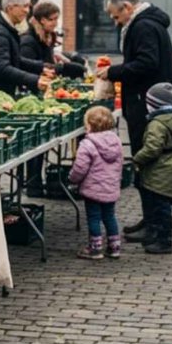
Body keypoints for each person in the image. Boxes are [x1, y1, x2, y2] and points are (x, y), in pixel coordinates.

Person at [97, 0, 172, 237]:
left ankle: (155, 225)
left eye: (116, 16)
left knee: (150, 163)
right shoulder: (147, 24)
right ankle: (149, 219)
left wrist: (113, 72)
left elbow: (147, 63)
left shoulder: (143, 27)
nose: (115, 22)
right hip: (151, 102)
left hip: (149, 105)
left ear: (127, 7)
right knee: (150, 164)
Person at [19, 0, 86, 195]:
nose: (55, 23)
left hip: (45, 93)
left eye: (57, 19)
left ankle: (36, 183)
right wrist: (61, 68)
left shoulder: (46, 37)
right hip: (33, 95)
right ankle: (32, 184)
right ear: (41, 20)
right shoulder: (29, 41)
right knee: (35, 141)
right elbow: (30, 66)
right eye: (52, 19)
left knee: (41, 142)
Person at [131, 82, 172, 255]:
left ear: (153, 105)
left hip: (159, 172)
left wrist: (137, 159)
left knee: (160, 208)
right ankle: (157, 236)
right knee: (161, 206)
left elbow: (152, 148)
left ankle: (164, 240)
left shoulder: (157, 124)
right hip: (168, 169)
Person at [68, 104, 123, 260]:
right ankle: (114, 247)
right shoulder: (116, 141)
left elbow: (80, 168)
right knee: (109, 216)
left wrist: (72, 179)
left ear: (89, 126)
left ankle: (95, 248)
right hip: (110, 187)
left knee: (93, 218)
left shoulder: (87, 144)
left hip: (93, 189)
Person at [0, 0, 53, 101]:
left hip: (1, 94)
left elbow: (15, 59)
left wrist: (41, 68)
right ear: (10, 8)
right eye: (24, 6)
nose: (27, 11)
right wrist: (35, 80)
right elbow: (3, 68)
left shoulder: (6, 29)